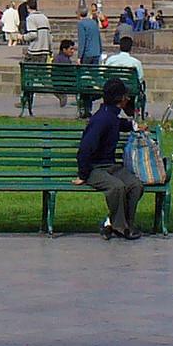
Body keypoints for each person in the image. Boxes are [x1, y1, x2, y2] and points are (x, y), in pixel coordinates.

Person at [75, 77, 143, 240]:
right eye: (126, 96)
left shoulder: (110, 115)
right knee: (117, 187)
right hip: (95, 169)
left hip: (111, 167)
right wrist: (83, 175)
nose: (128, 98)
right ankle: (121, 227)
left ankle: (119, 223)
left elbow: (118, 124)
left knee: (135, 185)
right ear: (120, 99)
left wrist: (134, 126)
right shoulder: (101, 119)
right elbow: (85, 148)